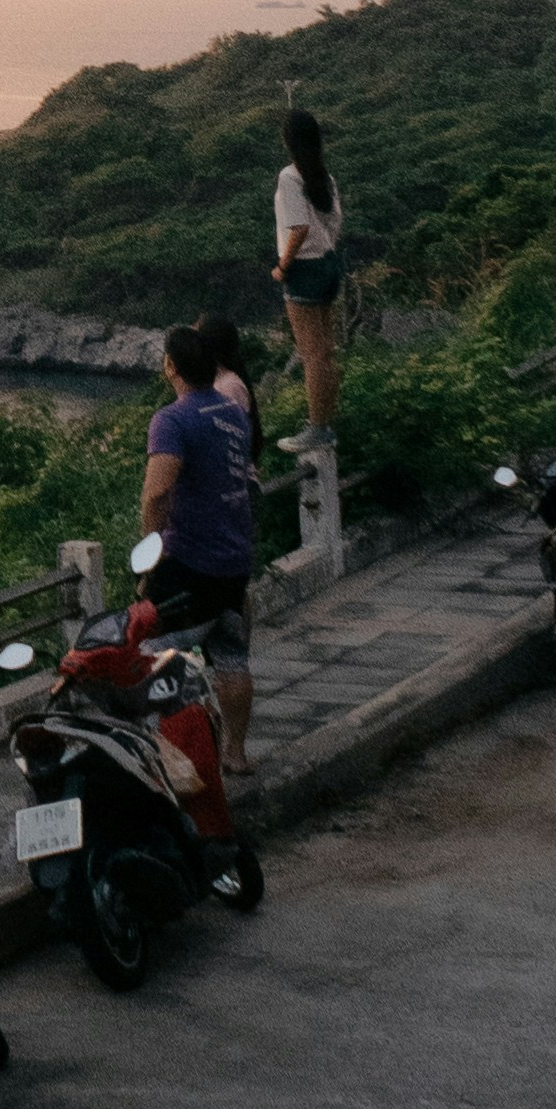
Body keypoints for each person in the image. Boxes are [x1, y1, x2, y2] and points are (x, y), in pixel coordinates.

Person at [138, 321, 255, 775]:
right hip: (234, 558)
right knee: (233, 657)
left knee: (152, 655)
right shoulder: (232, 412)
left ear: (170, 366)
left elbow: (156, 494)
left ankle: (170, 758)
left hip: (189, 561)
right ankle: (236, 754)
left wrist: (152, 554)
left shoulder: (172, 419)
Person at [273, 104, 349, 442]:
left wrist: (282, 266)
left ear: (288, 141)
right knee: (327, 350)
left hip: (304, 269)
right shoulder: (325, 176)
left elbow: (298, 228)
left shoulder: (290, 177)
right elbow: (336, 222)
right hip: (329, 264)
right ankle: (326, 421)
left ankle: (317, 428)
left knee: (312, 353)